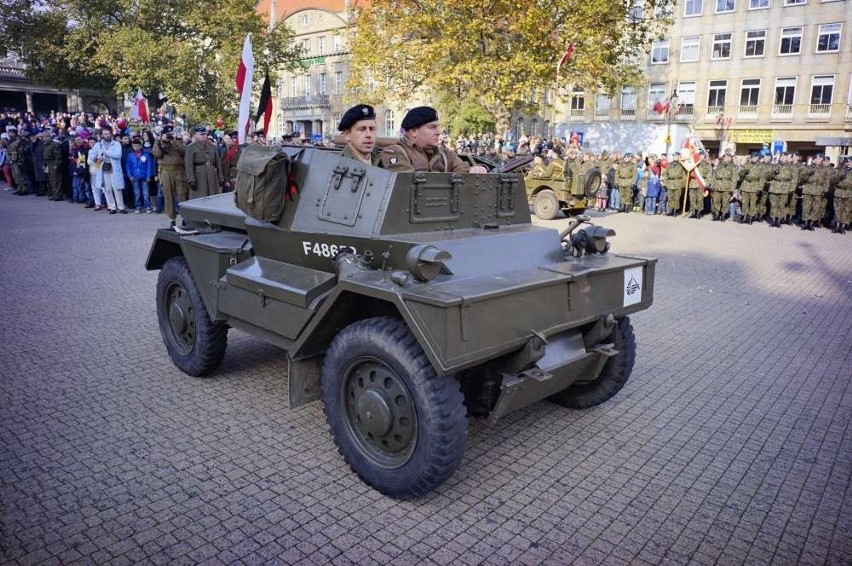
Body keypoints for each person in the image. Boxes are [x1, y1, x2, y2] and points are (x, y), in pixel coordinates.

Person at [378, 106, 487, 173]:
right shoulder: (395, 153)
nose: (439, 132)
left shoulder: (446, 155)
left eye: (438, 127)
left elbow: (464, 169)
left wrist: (477, 169)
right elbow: (407, 183)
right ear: (413, 131)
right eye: (432, 127)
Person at [152, 125, 188, 228]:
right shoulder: (159, 141)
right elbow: (157, 154)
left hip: (179, 171)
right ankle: (172, 219)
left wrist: (173, 141)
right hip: (166, 171)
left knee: (182, 194)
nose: (169, 135)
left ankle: (185, 218)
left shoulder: (178, 140)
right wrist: (161, 142)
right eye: (167, 134)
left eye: (171, 133)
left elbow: (184, 152)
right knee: (168, 195)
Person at [87, 127, 127, 214]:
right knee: (107, 189)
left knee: (117, 188)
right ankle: (112, 207)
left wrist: (105, 152)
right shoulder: (98, 145)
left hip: (114, 169)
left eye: (108, 133)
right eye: (105, 134)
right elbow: (91, 156)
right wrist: (97, 158)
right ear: (101, 135)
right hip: (103, 170)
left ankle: (121, 207)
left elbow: (118, 155)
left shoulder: (116, 144)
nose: (107, 135)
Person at [184, 125, 223, 198]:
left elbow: (218, 164)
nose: (203, 136)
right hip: (199, 174)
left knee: (213, 196)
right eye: (200, 134)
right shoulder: (191, 147)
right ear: (195, 135)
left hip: (212, 173)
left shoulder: (212, 147)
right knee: (200, 197)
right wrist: (191, 180)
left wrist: (220, 178)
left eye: (204, 134)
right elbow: (189, 165)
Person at [126, 136, 155, 213]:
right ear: (132, 146)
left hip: (144, 177)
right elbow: (128, 166)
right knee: (137, 193)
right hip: (135, 177)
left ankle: (148, 206)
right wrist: (130, 176)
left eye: (138, 146)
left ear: (141, 146)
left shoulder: (146, 154)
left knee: (146, 193)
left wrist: (149, 175)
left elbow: (149, 166)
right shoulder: (130, 155)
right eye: (134, 146)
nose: (136, 148)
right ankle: (138, 206)